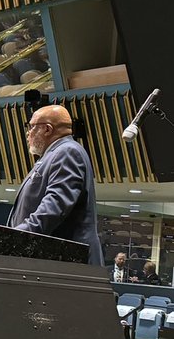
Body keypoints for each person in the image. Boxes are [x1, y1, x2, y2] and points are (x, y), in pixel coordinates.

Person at [8, 105, 103, 265]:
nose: (28, 132)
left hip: (68, 260)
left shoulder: (67, 152)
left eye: (31, 126)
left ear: (47, 129)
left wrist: (13, 237)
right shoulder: (54, 154)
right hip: (56, 257)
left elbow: (54, 208)